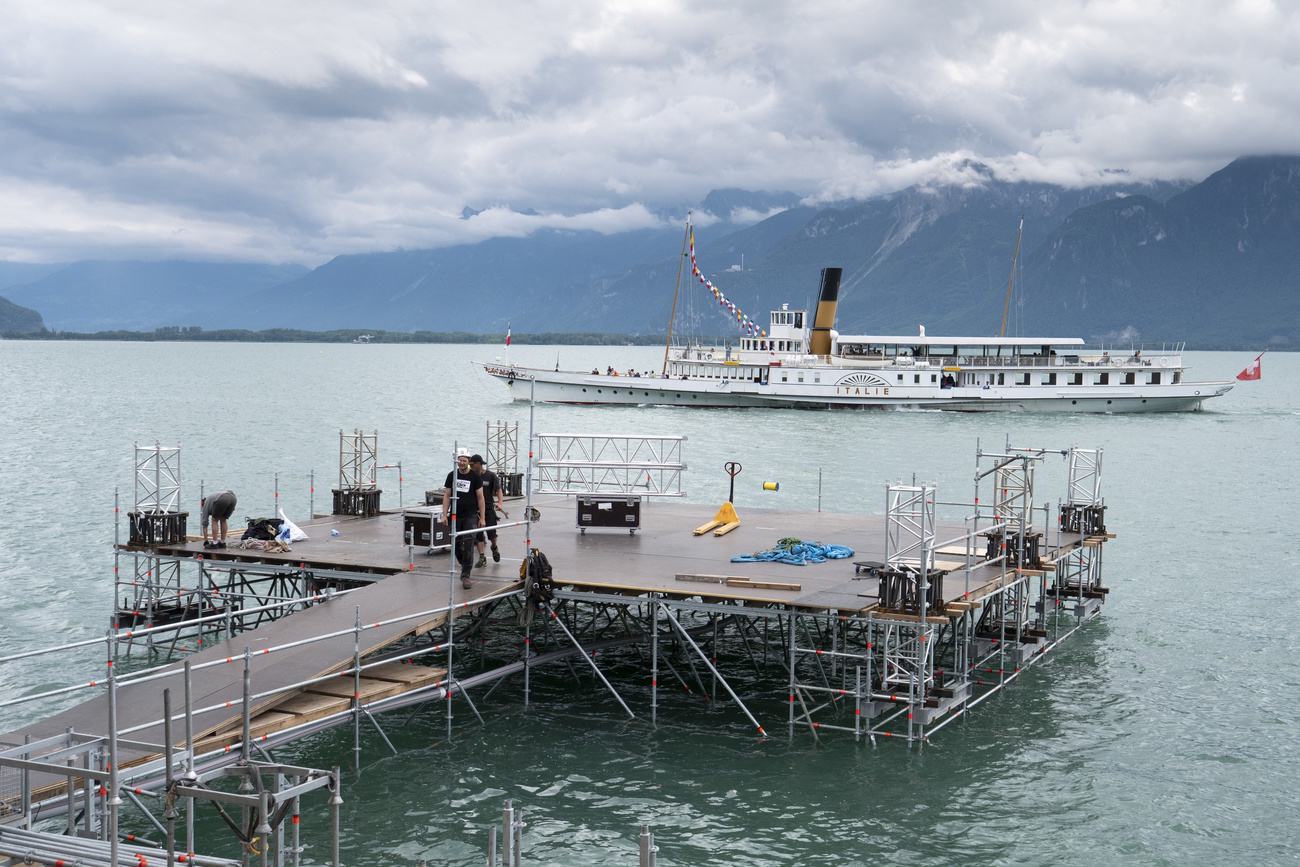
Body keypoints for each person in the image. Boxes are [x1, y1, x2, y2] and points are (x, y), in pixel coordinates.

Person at [442, 448, 485, 589]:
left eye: (464, 461)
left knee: (468, 545)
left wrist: (482, 518)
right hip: (455, 515)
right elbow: (447, 496)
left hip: (470, 516)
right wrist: (444, 514)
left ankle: (466, 575)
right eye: (459, 460)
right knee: (456, 546)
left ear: (468, 461)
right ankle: (464, 565)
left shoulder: (475, 477)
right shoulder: (452, 475)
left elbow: (480, 497)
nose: (461, 463)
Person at [470, 455, 509, 565]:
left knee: (492, 533)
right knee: (478, 535)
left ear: (478, 464)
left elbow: (498, 490)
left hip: (488, 508)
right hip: (475, 509)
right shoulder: (471, 476)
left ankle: (494, 546)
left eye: (472, 465)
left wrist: (500, 503)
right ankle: (482, 557)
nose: (470, 467)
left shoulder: (490, 476)